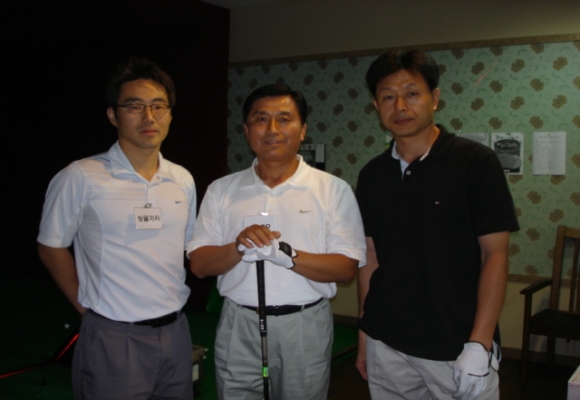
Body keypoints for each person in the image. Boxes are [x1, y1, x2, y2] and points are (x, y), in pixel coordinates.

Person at [355, 49, 519, 400]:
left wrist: (479, 343)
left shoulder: (475, 162)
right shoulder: (373, 175)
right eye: (388, 97)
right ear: (376, 106)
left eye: (412, 93)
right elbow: (370, 257)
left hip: (456, 345)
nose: (400, 106)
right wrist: (365, 333)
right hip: (387, 344)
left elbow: (495, 255)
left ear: (435, 98)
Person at [189, 83, 367, 400]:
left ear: (303, 130)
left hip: (304, 325)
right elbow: (200, 265)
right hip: (238, 321)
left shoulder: (332, 189)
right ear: (247, 130)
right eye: (261, 119)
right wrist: (237, 247)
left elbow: (346, 268)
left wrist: (287, 255)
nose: (272, 129)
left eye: (284, 119)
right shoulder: (221, 190)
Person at [37, 57, 196, 399]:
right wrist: (88, 308)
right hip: (113, 338)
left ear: (170, 114)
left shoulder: (182, 179)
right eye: (134, 106)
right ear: (113, 115)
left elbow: (187, 246)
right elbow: (50, 246)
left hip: (176, 332)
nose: (149, 117)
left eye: (158, 106)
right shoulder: (81, 176)